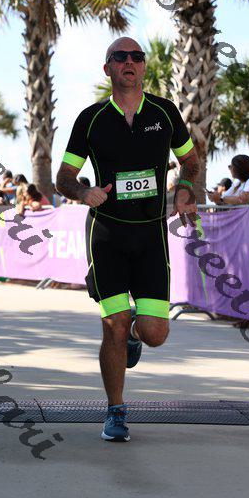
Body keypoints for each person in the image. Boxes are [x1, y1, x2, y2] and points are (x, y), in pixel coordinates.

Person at [56, 35, 199, 442]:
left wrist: (185, 190)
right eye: (120, 57)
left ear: (144, 67)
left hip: (151, 235)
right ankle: (115, 411)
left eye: (137, 56)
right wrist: (83, 191)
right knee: (113, 324)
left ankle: (136, 334)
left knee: (155, 333)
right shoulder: (91, 119)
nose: (129, 62)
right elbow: (63, 177)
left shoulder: (165, 112)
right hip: (107, 234)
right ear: (108, 69)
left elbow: (190, 160)